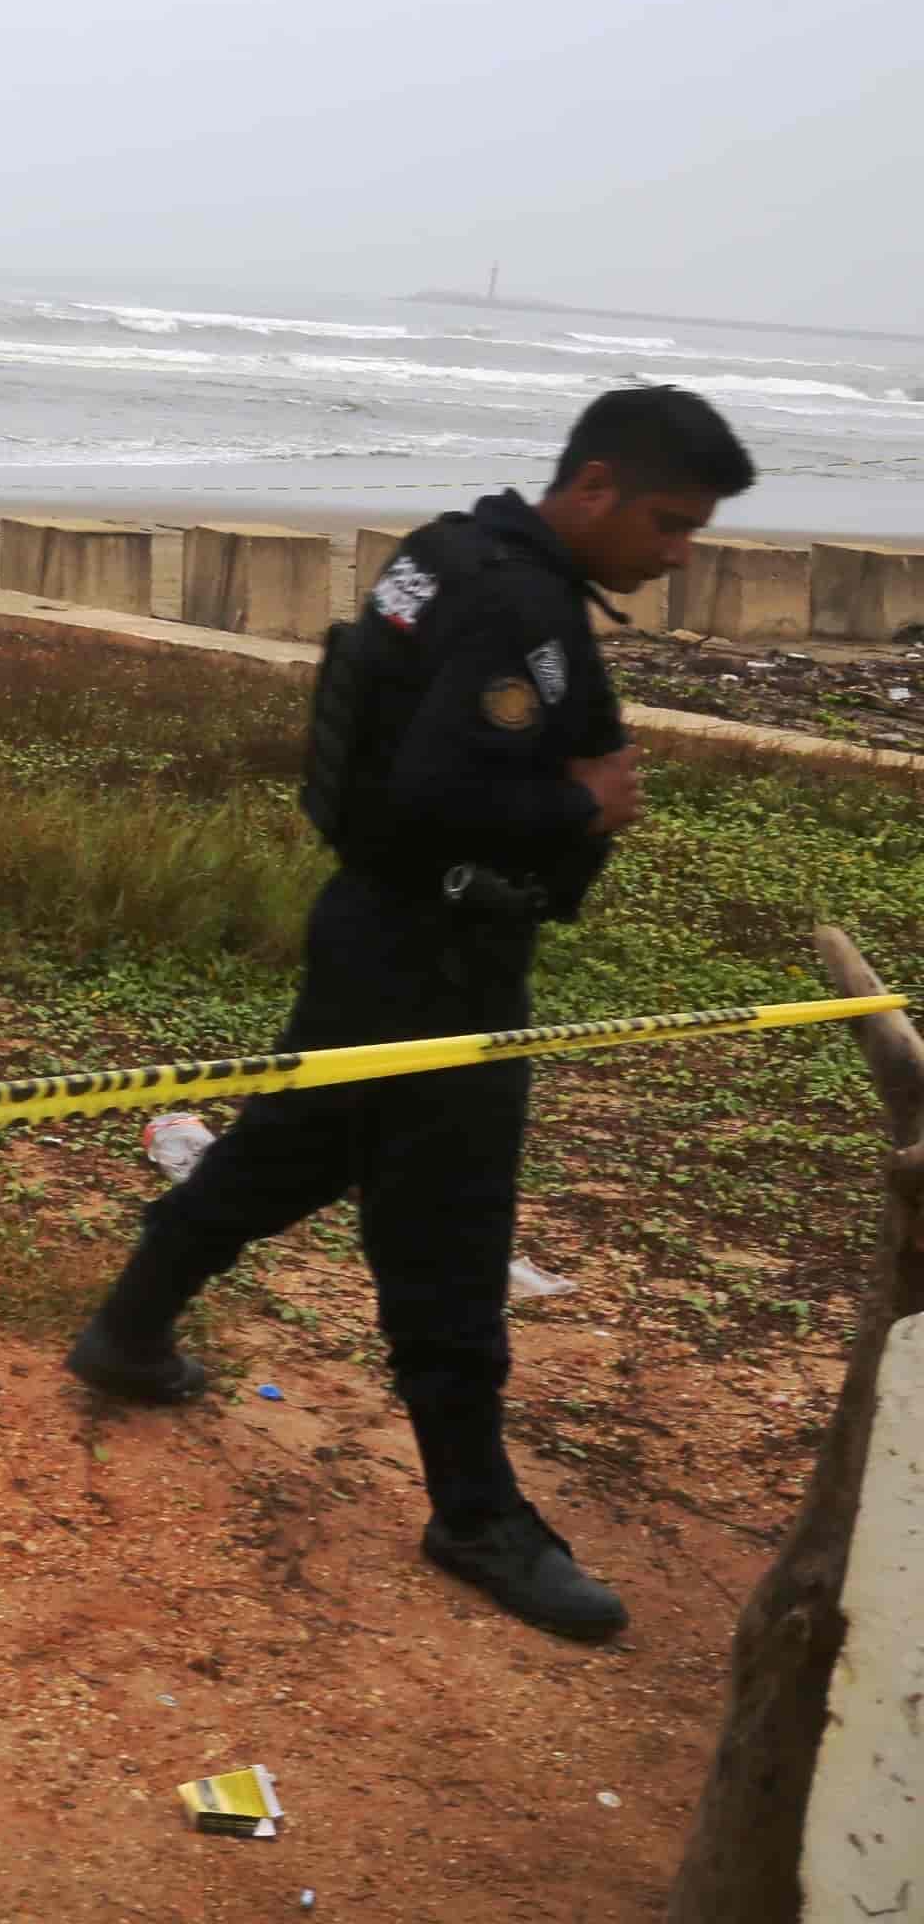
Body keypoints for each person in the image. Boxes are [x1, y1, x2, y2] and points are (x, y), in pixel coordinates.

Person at [64, 385, 756, 1642]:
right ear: (593, 485)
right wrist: (582, 809)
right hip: (438, 952)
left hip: (381, 932)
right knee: (451, 1227)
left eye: (692, 531)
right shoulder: (514, 600)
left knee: (294, 1147)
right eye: (666, 522)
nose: (676, 554)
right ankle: (476, 1513)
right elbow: (435, 789)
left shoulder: (453, 550)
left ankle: (128, 1331)